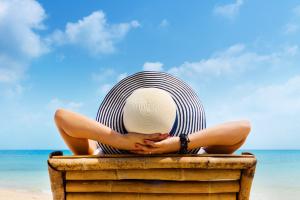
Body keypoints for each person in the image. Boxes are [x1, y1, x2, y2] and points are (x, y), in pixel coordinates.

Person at [54, 71, 251, 155]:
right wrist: (180, 143)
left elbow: (61, 117)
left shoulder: (101, 155)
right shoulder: (196, 157)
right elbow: (243, 128)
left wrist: (120, 141)